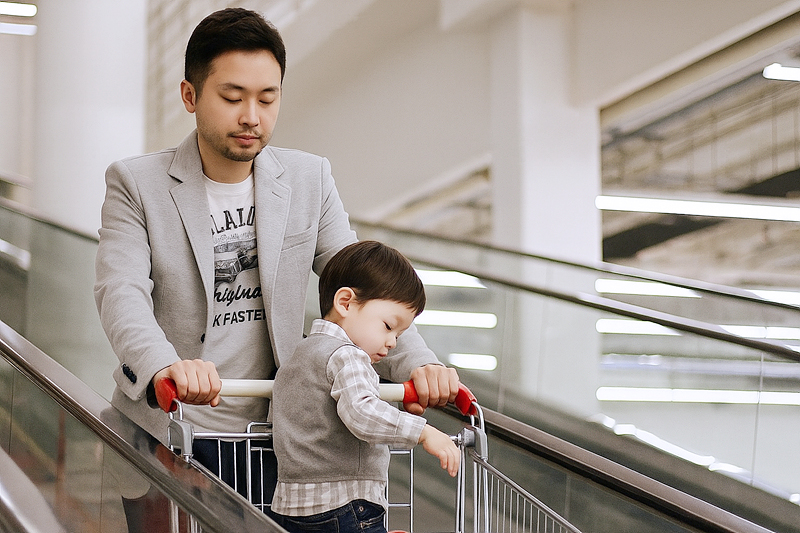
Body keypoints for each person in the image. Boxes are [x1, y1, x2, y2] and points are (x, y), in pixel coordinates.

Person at [93, 7, 459, 531]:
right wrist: (163, 366)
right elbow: (120, 290)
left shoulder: (309, 178)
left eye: (268, 98)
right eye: (232, 97)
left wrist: (418, 362)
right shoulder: (136, 183)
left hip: (284, 441)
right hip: (173, 434)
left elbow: (361, 281)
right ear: (190, 96)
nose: (252, 116)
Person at [270, 241, 460, 533]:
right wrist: (424, 432)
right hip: (344, 506)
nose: (393, 342)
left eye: (399, 334)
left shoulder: (302, 352)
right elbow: (362, 413)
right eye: (388, 326)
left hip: (294, 507)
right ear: (345, 302)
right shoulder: (347, 356)